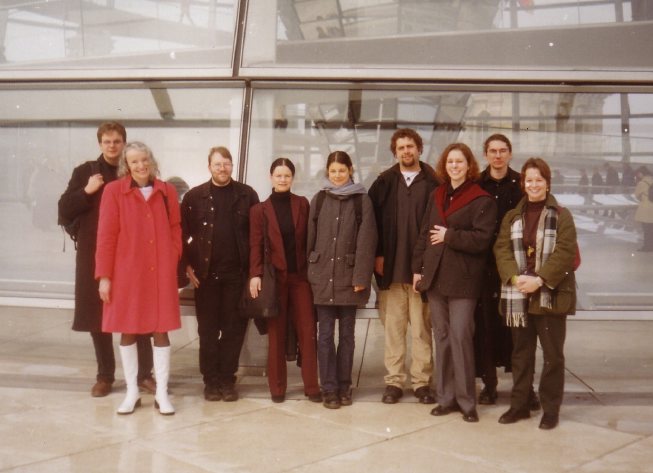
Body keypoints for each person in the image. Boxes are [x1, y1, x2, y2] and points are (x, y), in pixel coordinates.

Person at [58, 122, 155, 398]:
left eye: (117, 141)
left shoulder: (134, 171)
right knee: (97, 316)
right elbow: (64, 210)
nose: (112, 146)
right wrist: (86, 191)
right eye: (107, 141)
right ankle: (105, 375)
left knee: (137, 313)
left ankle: (144, 374)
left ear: (124, 143)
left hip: (130, 256)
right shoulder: (86, 172)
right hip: (94, 253)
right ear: (100, 144)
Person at [412, 143, 497, 423]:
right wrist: (418, 269)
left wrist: (450, 236)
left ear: (468, 165)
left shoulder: (481, 199)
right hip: (435, 278)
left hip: (463, 280)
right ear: (444, 166)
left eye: (459, 162)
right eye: (450, 162)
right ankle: (445, 398)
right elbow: (425, 233)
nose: (454, 166)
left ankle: (466, 401)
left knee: (460, 337)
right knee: (443, 338)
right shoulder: (437, 194)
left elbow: (482, 240)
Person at [95, 141, 182, 415]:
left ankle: (161, 393)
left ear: (151, 161)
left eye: (144, 160)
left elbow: (176, 228)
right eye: (134, 162)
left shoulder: (167, 191)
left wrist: (172, 256)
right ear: (126, 166)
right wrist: (104, 276)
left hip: (160, 272)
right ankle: (132, 392)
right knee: (128, 328)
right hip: (127, 273)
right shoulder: (113, 191)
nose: (140, 165)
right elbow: (106, 235)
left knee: (161, 329)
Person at [494, 157, 578, 430]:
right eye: (529, 180)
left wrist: (539, 280)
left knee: (553, 356)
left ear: (547, 183)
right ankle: (519, 405)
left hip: (550, 295)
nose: (533, 185)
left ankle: (550, 409)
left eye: (538, 180)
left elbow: (565, 253)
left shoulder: (562, 215)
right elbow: (502, 249)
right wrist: (517, 278)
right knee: (521, 354)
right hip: (519, 294)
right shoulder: (512, 216)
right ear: (523, 184)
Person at [181, 146, 259, 402]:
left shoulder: (247, 195)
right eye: (217, 164)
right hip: (206, 277)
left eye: (226, 164)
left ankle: (227, 379)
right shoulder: (194, 197)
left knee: (234, 330)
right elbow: (181, 236)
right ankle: (210, 381)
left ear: (232, 166)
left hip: (237, 276)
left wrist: (254, 273)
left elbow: (257, 237)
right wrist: (187, 266)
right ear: (209, 166)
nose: (222, 168)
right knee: (208, 330)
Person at [368, 128, 438, 405]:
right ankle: (394, 382)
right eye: (401, 147)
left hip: (421, 272)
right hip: (392, 272)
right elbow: (371, 225)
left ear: (419, 148)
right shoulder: (384, 183)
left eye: (411, 146)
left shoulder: (434, 183)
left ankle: (422, 383)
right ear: (394, 152)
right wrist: (377, 255)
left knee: (421, 330)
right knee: (394, 331)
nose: (406, 151)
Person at [474, 134, 540, 410]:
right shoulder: (476, 184)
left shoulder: (522, 184)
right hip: (484, 267)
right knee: (486, 329)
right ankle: (489, 385)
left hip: (516, 268)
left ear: (510, 154)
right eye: (493, 151)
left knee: (519, 332)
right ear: (486, 155)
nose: (498, 156)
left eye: (502, 151)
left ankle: (524, 388)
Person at [307, 151, 377, 409]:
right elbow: (309, 239)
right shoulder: (319, 199)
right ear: (328, 171)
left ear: (350, 170)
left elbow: (366, 241)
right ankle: (329, 388)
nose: (337, 175)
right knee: (324, 335)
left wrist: (361, 277)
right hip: (323, 278)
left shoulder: (362, 201)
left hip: (349, 279)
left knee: (347, 335)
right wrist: (310, 274)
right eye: (333, 171)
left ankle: (345, 386)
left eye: (342, 170)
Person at [248, 158, 321, 403]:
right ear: (271, 177)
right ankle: (277, 388)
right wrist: (255, 274)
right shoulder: (259, 210)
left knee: (308, 331)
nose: (282, 179)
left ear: (293, 178)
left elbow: (311, 240)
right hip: (274, 280)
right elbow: (255, 245)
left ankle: (312, 386)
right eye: (278, 175)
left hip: (300, 278)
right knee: (276, 334)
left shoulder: (302, 204)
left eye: (287, 175)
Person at [634, 166, 653, 252]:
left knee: (646, 229)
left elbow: (637, 195)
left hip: (646, 207)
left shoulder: (642, 183)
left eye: (638, 174)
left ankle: (647, 247)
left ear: (641, 173)